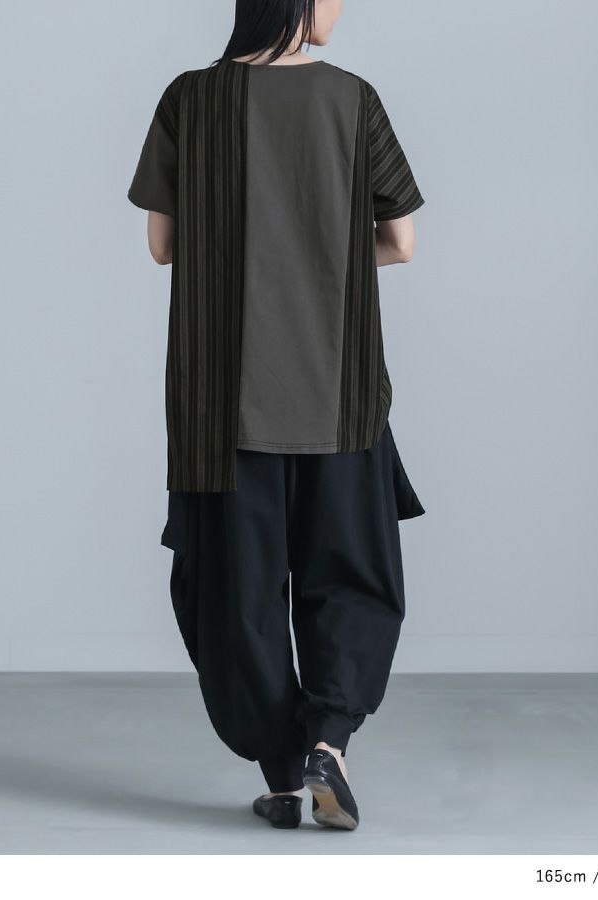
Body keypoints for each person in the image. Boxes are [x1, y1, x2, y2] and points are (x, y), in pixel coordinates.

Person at [127, 0, 426, 831]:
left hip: (221, 405)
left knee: (236, 594)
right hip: (339, 390)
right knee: (352, 573)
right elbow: (401, 241)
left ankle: (283, 773)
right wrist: (326, 253)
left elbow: (162, 245)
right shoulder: (354, 98)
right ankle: (329, 741)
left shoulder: (190, 98)